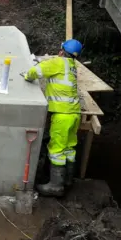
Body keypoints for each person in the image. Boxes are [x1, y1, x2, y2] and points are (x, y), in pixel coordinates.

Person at [23, 39, 83, 197]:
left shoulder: (58, 62)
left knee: (56, 150)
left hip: (62, 115)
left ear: (62, 50)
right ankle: (68, 180)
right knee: (69, 148)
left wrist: (27, 77)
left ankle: (56, 186)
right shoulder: (72, 66)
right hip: (75, 114)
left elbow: (35, 72)